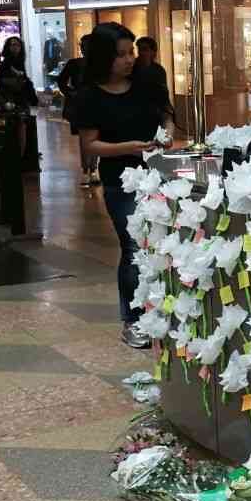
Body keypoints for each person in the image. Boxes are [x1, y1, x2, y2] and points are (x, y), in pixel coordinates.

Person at [76, 22, 174, 349]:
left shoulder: (146, 82)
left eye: (130, 52)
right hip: (121, 179)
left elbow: (166, 115)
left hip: (159, 173)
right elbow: (91, 145)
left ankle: (162, 309)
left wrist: (167, 134)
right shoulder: (90, 96)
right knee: (133, 245)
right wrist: (130, 147)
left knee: (162, 244)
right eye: (120, 55)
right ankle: (132, 319)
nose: (129, 59)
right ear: (104, 58)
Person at [58, 35, 99, 187]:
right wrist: (71, 93)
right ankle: (87, 170)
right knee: (85, 138)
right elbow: (61, 80)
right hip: (81, 105)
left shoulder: (100, 64)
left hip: (96, 104)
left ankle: (92, 169)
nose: (85, 49)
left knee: (93, 138)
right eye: (84, 46)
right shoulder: (75, 64)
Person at [0, 37, 38, 109]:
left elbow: (23, 75)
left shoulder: (19, 60)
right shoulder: (7, 60)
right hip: (9, 91)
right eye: (13, 45)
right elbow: (1, 78)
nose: (16, 47)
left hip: (19, 89)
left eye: (18, 45)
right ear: (8, 47)